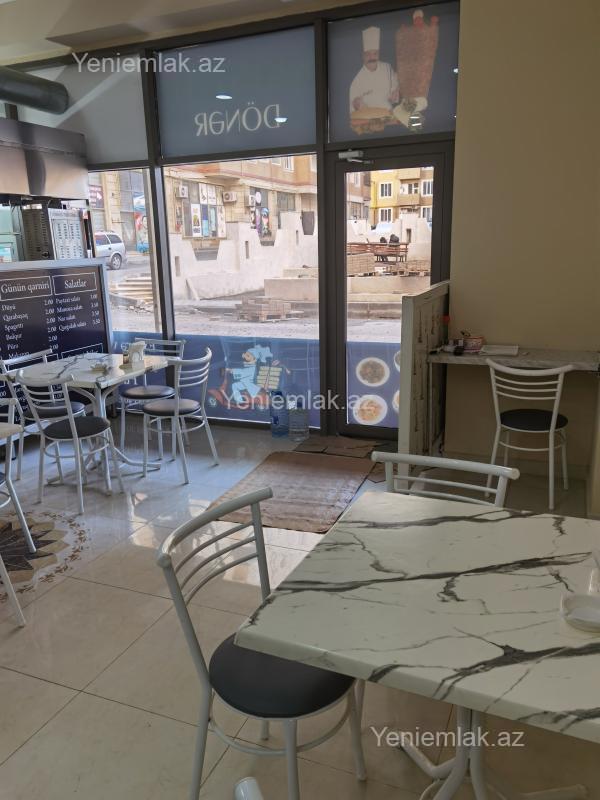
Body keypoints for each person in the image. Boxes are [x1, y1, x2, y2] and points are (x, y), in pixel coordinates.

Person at [349, 27, 399, 114]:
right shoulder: (357, 79)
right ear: (363, 56)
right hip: (368, 117)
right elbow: (353, 105)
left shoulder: (387, 67)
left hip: (388, 114)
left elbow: (395, 85)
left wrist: (395, 93)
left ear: (378, 54)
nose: (372, 58)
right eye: (368, 54)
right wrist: (356, 104)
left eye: (375, 53)